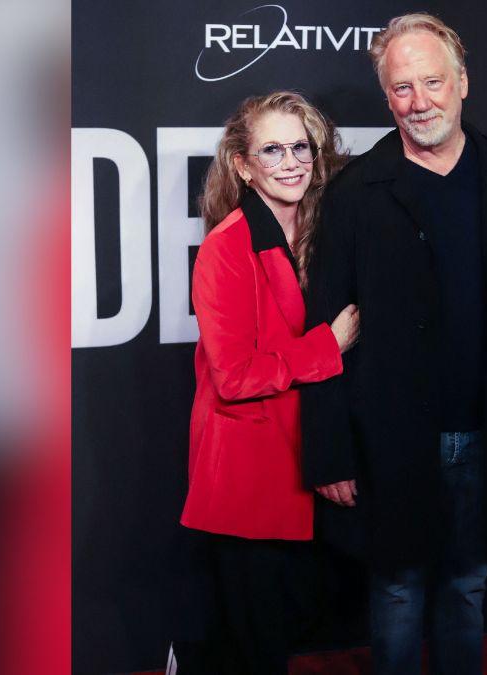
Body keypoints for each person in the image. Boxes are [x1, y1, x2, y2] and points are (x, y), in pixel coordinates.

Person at [300, 13, 487, 675]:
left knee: (467, 588)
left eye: (433, 82)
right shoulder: (354, 195)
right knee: (395, 590)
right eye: (403, 88)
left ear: (463, 82)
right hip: (388, 439)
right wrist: (330, 450)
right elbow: (322, 329)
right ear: (387, 98)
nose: (421, 102)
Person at [180, 90, 359, 675]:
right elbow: (232, 377)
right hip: (248, 476)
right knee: (256, 647)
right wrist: (326, 347)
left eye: (300, 147)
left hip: (305, 461)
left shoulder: (322, 233)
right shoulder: (225, 249)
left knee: (289, 621)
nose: (291, 161)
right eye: (272, 149)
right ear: (242, 163)